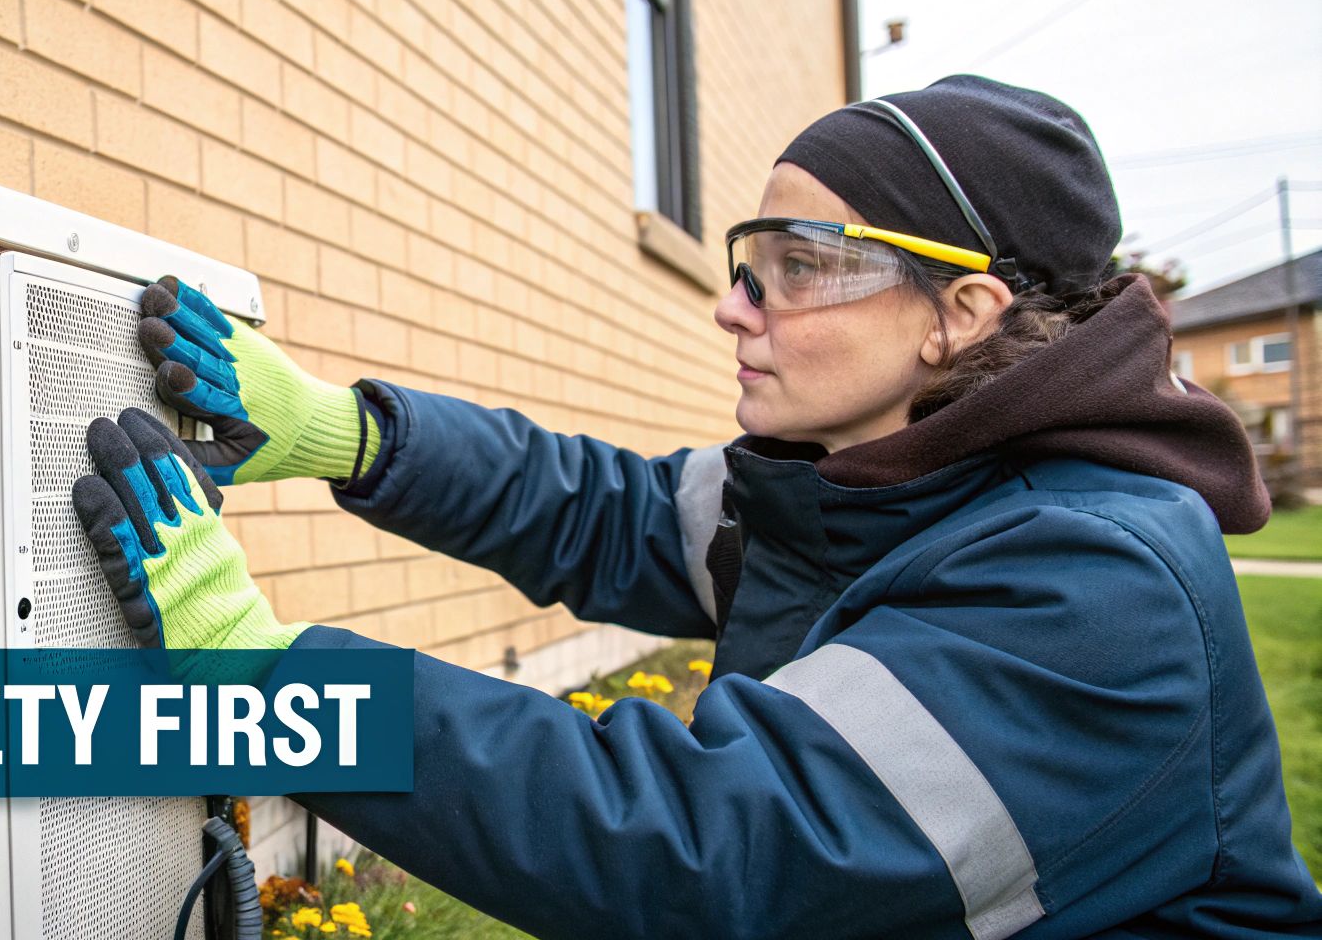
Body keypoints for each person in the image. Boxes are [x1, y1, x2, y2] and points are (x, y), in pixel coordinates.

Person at [71, 75, 1322, 938]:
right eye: (742, 265)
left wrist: (267, 683)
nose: (734, 307)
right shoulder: (868, 471)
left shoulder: (1091, 587)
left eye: (799, 267)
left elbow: (711, 846)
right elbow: (606, 514)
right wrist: (348, 434)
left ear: (961, 314)